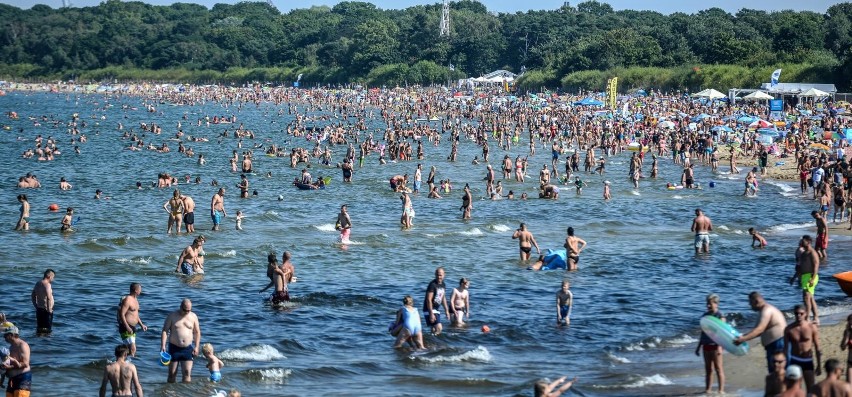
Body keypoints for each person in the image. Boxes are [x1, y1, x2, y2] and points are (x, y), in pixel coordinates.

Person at [734, 291, 787, 373]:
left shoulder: (767, 310)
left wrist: (743, 339)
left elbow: (760, 329)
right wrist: (743, 336)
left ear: (756, 301)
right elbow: (756, 330)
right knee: (774, 372)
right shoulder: (763, 311)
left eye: (750, 303)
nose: (749, 305)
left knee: (778, 372)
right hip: (774, 344)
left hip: (778, 344)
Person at [161, 298, 201, 383]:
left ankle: (185, 393)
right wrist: (163, 345)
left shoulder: (193, 316)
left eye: (189, 310)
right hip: (174, 348)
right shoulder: (172, 316)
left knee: (187, 373)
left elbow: (197, 332)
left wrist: (197, 346)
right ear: (180, 307)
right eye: (185, 310)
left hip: (187, 349)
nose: (187, 312)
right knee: (172, 374)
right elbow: (165, 330)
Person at [784, 304, 821, 391]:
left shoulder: (812, 327)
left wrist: (819, 365)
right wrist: (784, 366)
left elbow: (817, 347)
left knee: (811, 388)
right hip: (794, 360)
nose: (799, 316)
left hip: (807, 360)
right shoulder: (789, 329)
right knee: (795, 389)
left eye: (801, 313)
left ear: (805, 314)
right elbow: (785, 349)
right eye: (796, 313)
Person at [695, 293, 725, 394]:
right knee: (708, 369)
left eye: (710, 303)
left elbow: (723, 333)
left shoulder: (720, 316)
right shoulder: (705, 316)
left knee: (718, 368)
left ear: (716, 304)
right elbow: (703, 333)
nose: (708, 305)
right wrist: (698, 347)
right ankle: (708, 389)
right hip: (706, 345)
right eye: (707, 303)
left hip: (716, 346)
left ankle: (721, 391)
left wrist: (720, 346)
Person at [790, 235, 820, 324]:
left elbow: (816, 266)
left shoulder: (812, 253)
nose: (801, 242)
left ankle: (807, 318)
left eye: (803, 241)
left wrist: (812, 278)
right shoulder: (803, 254)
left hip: (811, 276)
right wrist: (794, 277)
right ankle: (816, 318)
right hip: (804, 277)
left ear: (808, 242)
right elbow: (800, 268)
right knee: (810, 298)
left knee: (806, 297)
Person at [117, 283, 148, 357]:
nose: (141, 291)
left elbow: (136, 315)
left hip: (132, 327)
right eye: (140, 289)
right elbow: (122, 314)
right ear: (135, 290)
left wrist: (141, 325)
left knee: (128, 350)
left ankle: (121, 363)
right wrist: (127, 326)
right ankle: (128, 365)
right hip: (126, 327)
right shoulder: (127, 300)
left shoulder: (135, 300)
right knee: (132, 349)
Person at [2, 326, 31, 397]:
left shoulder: (22, 345)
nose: (4, 337)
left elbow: (25, 364)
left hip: (22, 378)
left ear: (12, 335)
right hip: (12, 379)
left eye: (5, 335)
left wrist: (9, 367)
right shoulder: (11, 347)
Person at [423, 267, 449, 335]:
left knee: (434, 329)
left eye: (440, 275)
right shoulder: (432, 284)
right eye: (437, 275)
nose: (439, 277)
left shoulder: (443, 284)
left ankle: (432, 344)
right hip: (429, 309)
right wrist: (431, 313)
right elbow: (428, 299)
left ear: (444, 275)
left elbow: (443, 298)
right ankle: (437, 343)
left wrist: (446, 310)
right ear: (435, 274)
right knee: (439, 327)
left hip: (436, 309)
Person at [31, 269, 55, 334]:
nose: (53, 279)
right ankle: (47, 343)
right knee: (48, 330)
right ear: (49, 276)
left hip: (39, 309)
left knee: (40, 328)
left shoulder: (38, 283)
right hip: (46, 311)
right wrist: (49, 310)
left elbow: (33, 295)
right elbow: (49, 298)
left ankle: (40, 342)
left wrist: (35, 305)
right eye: (53, 277)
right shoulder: (47, 285)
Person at [840, 314, 852, 382]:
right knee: (849, 386)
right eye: (849, 323)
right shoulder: (847, 332)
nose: (851, 326)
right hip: (850, 362)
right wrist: (847, 336)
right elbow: (843, 348)